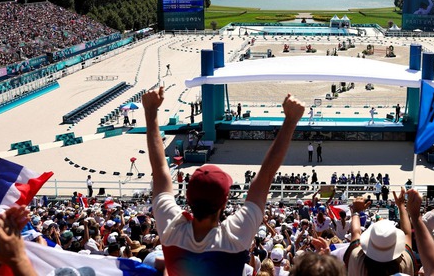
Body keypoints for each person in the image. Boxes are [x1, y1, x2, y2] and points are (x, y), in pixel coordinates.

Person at [142, 87, 305, 274]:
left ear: (188, 198)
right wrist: (291, 120)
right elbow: (265, 177)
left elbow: (161, 170)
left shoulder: (173, 231)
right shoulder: (233, 238)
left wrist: (150, 112)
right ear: (224, 203)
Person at [345, 196, 415, 275]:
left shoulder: (357, 257)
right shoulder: (405, 260)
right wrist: (401, 206)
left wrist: (356, 211)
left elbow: (356, 233)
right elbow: (407, 233)